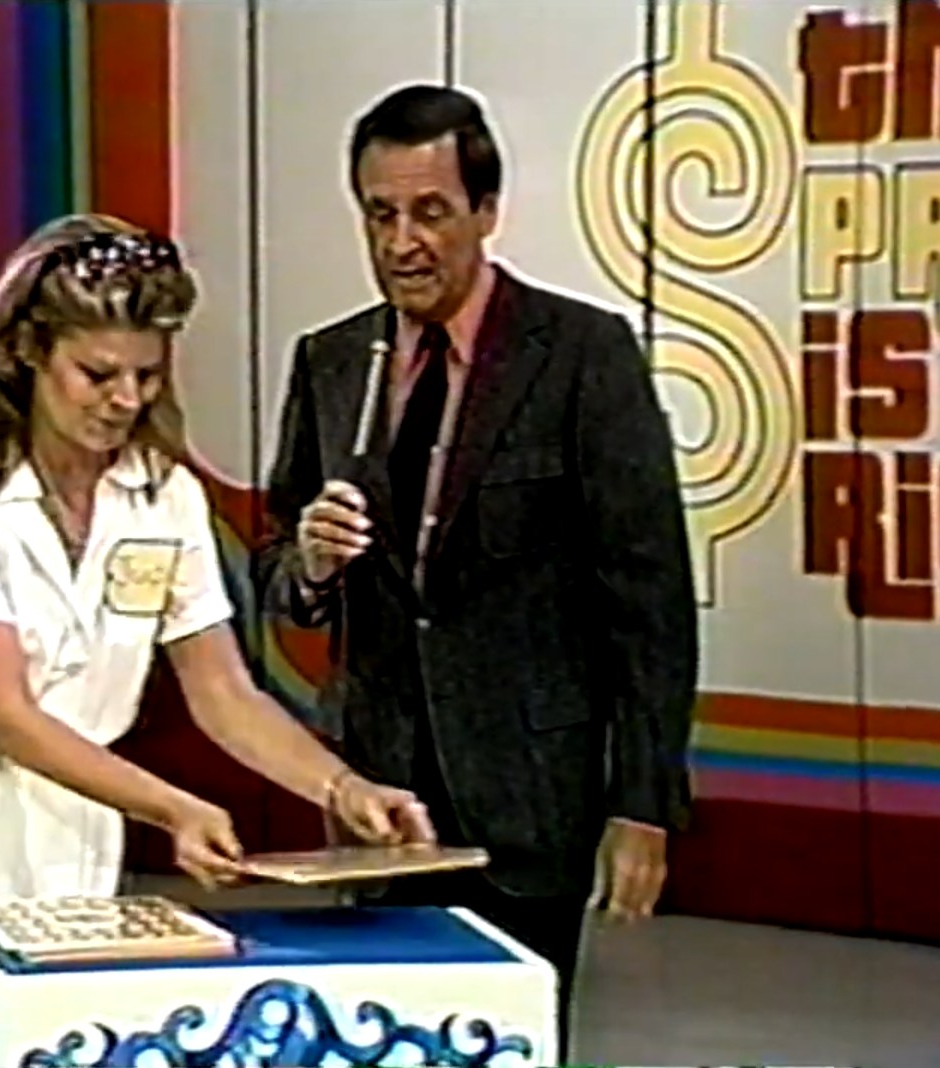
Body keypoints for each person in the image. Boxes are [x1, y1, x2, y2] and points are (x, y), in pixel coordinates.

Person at [0, 213, 434, 1068]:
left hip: (72, 825)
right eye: (97, 373)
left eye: (146, 374)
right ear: (30, 351)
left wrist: (340, 786)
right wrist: (169, 807)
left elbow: (222, 692)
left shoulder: (162, 495)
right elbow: (5, 714)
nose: (126, 399)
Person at [256, 84, 698, 1059]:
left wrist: (643, 802)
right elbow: (274, 562)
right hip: (374, 799)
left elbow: (649, 596)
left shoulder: (582, 355)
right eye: (380, 214)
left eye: (430, 212)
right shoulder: (330, 362)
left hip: (528, 800)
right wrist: (310, 566)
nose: (402, 242)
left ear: (485, 213)